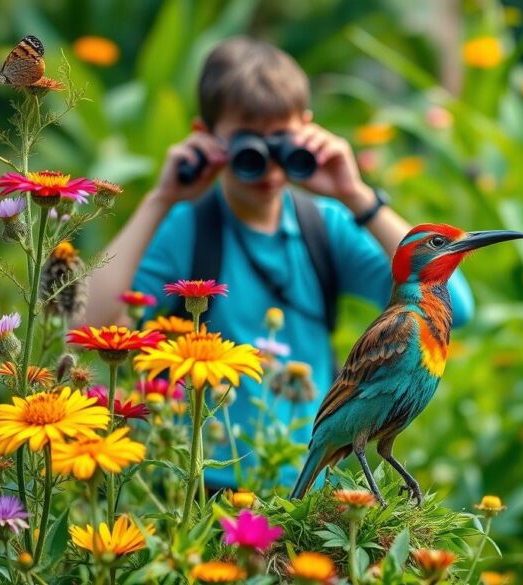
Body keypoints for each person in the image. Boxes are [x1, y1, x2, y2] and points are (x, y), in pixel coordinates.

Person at [81, 37, 474, 491]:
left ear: (308, 130)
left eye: (282, 141)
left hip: (307, 488)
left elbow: (454, 308)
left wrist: (356, 194)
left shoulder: (326, 226)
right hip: (206, 491)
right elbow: (84, 322)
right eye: (248, 143)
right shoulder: (187, 228)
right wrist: (161, 199)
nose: (268, 164)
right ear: (204, 137)